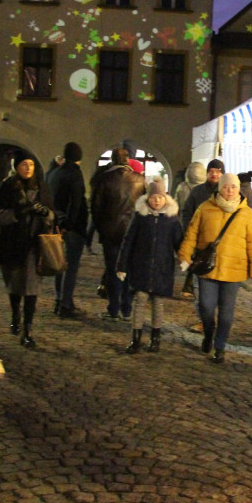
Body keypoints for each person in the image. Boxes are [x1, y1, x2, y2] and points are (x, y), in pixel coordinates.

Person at [179, 172, 252, 364]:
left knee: (226, 312)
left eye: (233, 187)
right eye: (226, 186)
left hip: (234, 269)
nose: (229, 190)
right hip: (208, 268)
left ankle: (219, 346)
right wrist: (184, 255)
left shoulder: (246, 214)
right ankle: (209, 332)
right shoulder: (205, 208)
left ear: (238, 189)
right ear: (220, 188)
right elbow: (192, 233)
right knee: (206, 307)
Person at [0, 156, 53, 349]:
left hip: (35, 245)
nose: (28, 168)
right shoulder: (7, 186)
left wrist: (46, 213)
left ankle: (27, 329)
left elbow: (53, 213)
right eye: (24, 164)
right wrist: (18, 213)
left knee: (32, 288)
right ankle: (15, 315)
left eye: (31, 164)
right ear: (16, 166)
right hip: (13, 244)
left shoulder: (42, 186)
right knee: (15, 285)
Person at [117, 180, 183, 353]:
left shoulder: (171, 219)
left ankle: (156, 338)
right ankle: (136, 338)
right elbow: (128, 241)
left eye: (160, 197)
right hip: (141, 267)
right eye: (153, 197)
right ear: (148, 198)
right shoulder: (140, 217)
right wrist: (121, 265)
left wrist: (185, 259)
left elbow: (179, 242)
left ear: (165, 197)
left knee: (158, 303)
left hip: (162, 268)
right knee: (139, 301)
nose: (156, 201)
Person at [90, 148, 146, 321]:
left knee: (113, 269)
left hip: (111, 231)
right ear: (127, 160)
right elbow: (146, 206)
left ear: (113, 160)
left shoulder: (104, 179)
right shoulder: (140, 179)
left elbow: (96, 208)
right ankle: (127, 308)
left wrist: (100, 228)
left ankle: (113, 308)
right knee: (129, 269)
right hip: (132, 232)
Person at [50, 142, 87, 318]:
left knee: (59, 264)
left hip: (55, 224)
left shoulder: (55, 173)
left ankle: (59, 299)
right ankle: (65, 304)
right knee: (70, 267)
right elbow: (76, 202)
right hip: (71, 227)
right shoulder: (75, 175)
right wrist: (70, 225)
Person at [180, 158, 224, 297]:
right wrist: (188, 228)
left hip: (220, 235)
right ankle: (193, 286)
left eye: (218, 171)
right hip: (200, 234)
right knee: (198, 260)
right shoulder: (197, 191)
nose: (214, 174)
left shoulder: (226, 191)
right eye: (211, 171)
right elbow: (187, 212)